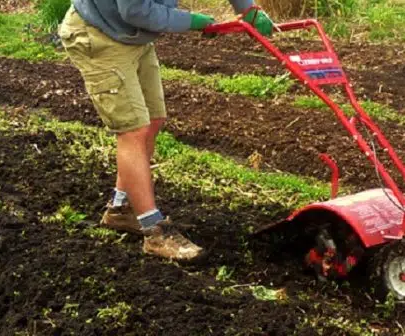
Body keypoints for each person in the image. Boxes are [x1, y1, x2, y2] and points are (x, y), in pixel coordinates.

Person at [58, 0, 273, 261]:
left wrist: (248, 10)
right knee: (133, 131)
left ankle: (121, 209)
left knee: (153, 120)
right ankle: (155, 232)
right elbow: (135, 10)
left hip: (133, 35)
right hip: (99, 34)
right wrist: (192, 21)